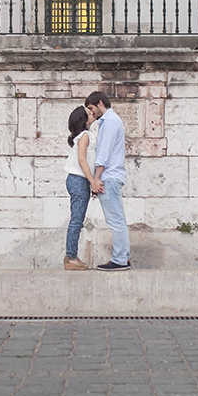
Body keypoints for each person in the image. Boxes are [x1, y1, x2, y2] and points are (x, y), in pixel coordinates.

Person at [84, 90, 130, 270]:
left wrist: (96, 179)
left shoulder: (110, 121)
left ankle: (119, 259)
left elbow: (104, 154)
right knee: (117, 219)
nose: (91, 112)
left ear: (100, 103)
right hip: (111, 176)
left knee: (115, 220)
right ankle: (123, 257)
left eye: (91, 108)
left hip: (108, 176)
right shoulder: (110, 121)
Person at [63, 105, 102, 270]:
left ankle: (71, 256)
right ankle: (70, 257)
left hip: (78, 180)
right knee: (77, 220)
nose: (92, 114)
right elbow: (82, 160)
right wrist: (92, 181)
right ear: (83, 119)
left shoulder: (85, 135)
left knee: (77, 219)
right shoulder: (85, 135)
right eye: (88, 113)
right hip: (78, 180)